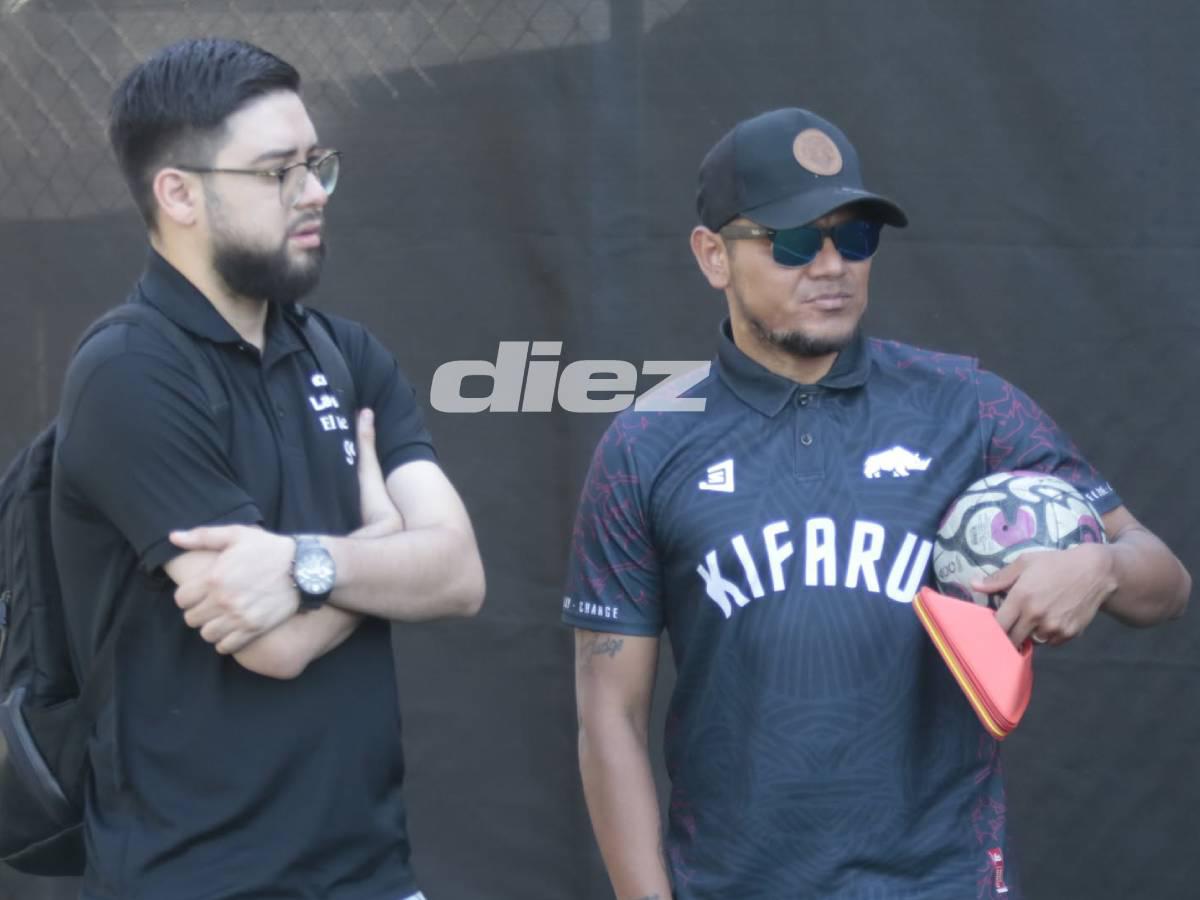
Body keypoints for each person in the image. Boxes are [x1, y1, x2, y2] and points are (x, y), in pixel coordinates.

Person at [563, 107, 1191, 899]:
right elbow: (608, 717)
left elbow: (1164, 581)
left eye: (854, 237)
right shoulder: (647, 444)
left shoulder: (968, 407)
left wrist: (1097, 566)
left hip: (943, 880)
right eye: (794, 240)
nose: (832, 264)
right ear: (713, 256)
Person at [51, 38, 484, 900]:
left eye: (316, 163)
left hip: (371, 874)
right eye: (277, 171)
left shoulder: (346, 352)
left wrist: (310, 565)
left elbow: (461, 575)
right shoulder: (129, 371)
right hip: (196, 880)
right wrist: (386, 541)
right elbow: (276, 645)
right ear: (178, 192)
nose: (313, 191)